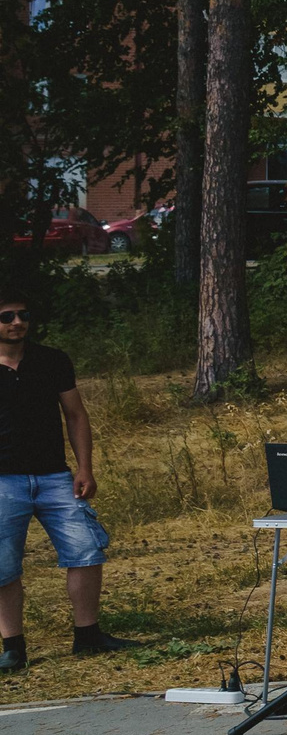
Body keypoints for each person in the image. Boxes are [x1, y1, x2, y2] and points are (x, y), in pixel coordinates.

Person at [0, 287, 128, 671]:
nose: (18, 322)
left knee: (86, 551)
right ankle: (13, 648)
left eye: (22, 314)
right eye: (7, 316)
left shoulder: (51, 360)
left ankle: (88, 636)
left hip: (56, 476)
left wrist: (84, 467)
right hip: (3, 482)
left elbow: (75, 415)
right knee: (4, 566)